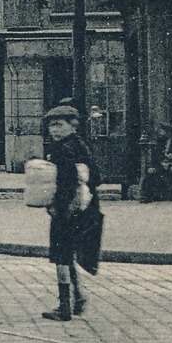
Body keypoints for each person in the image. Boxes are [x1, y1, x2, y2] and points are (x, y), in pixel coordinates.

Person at [40, 104, 101, 321]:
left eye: (59, 125)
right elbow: (97, 177)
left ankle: (64, 306)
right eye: (51, 126)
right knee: (69, 255)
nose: (54, 130)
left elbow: (64, 183)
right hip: (85, 209)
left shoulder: (61, 149)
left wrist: (57, 205)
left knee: (61, 257)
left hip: (65, 210)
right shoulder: (81, 146)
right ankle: (78, 297)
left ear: (72, 126)